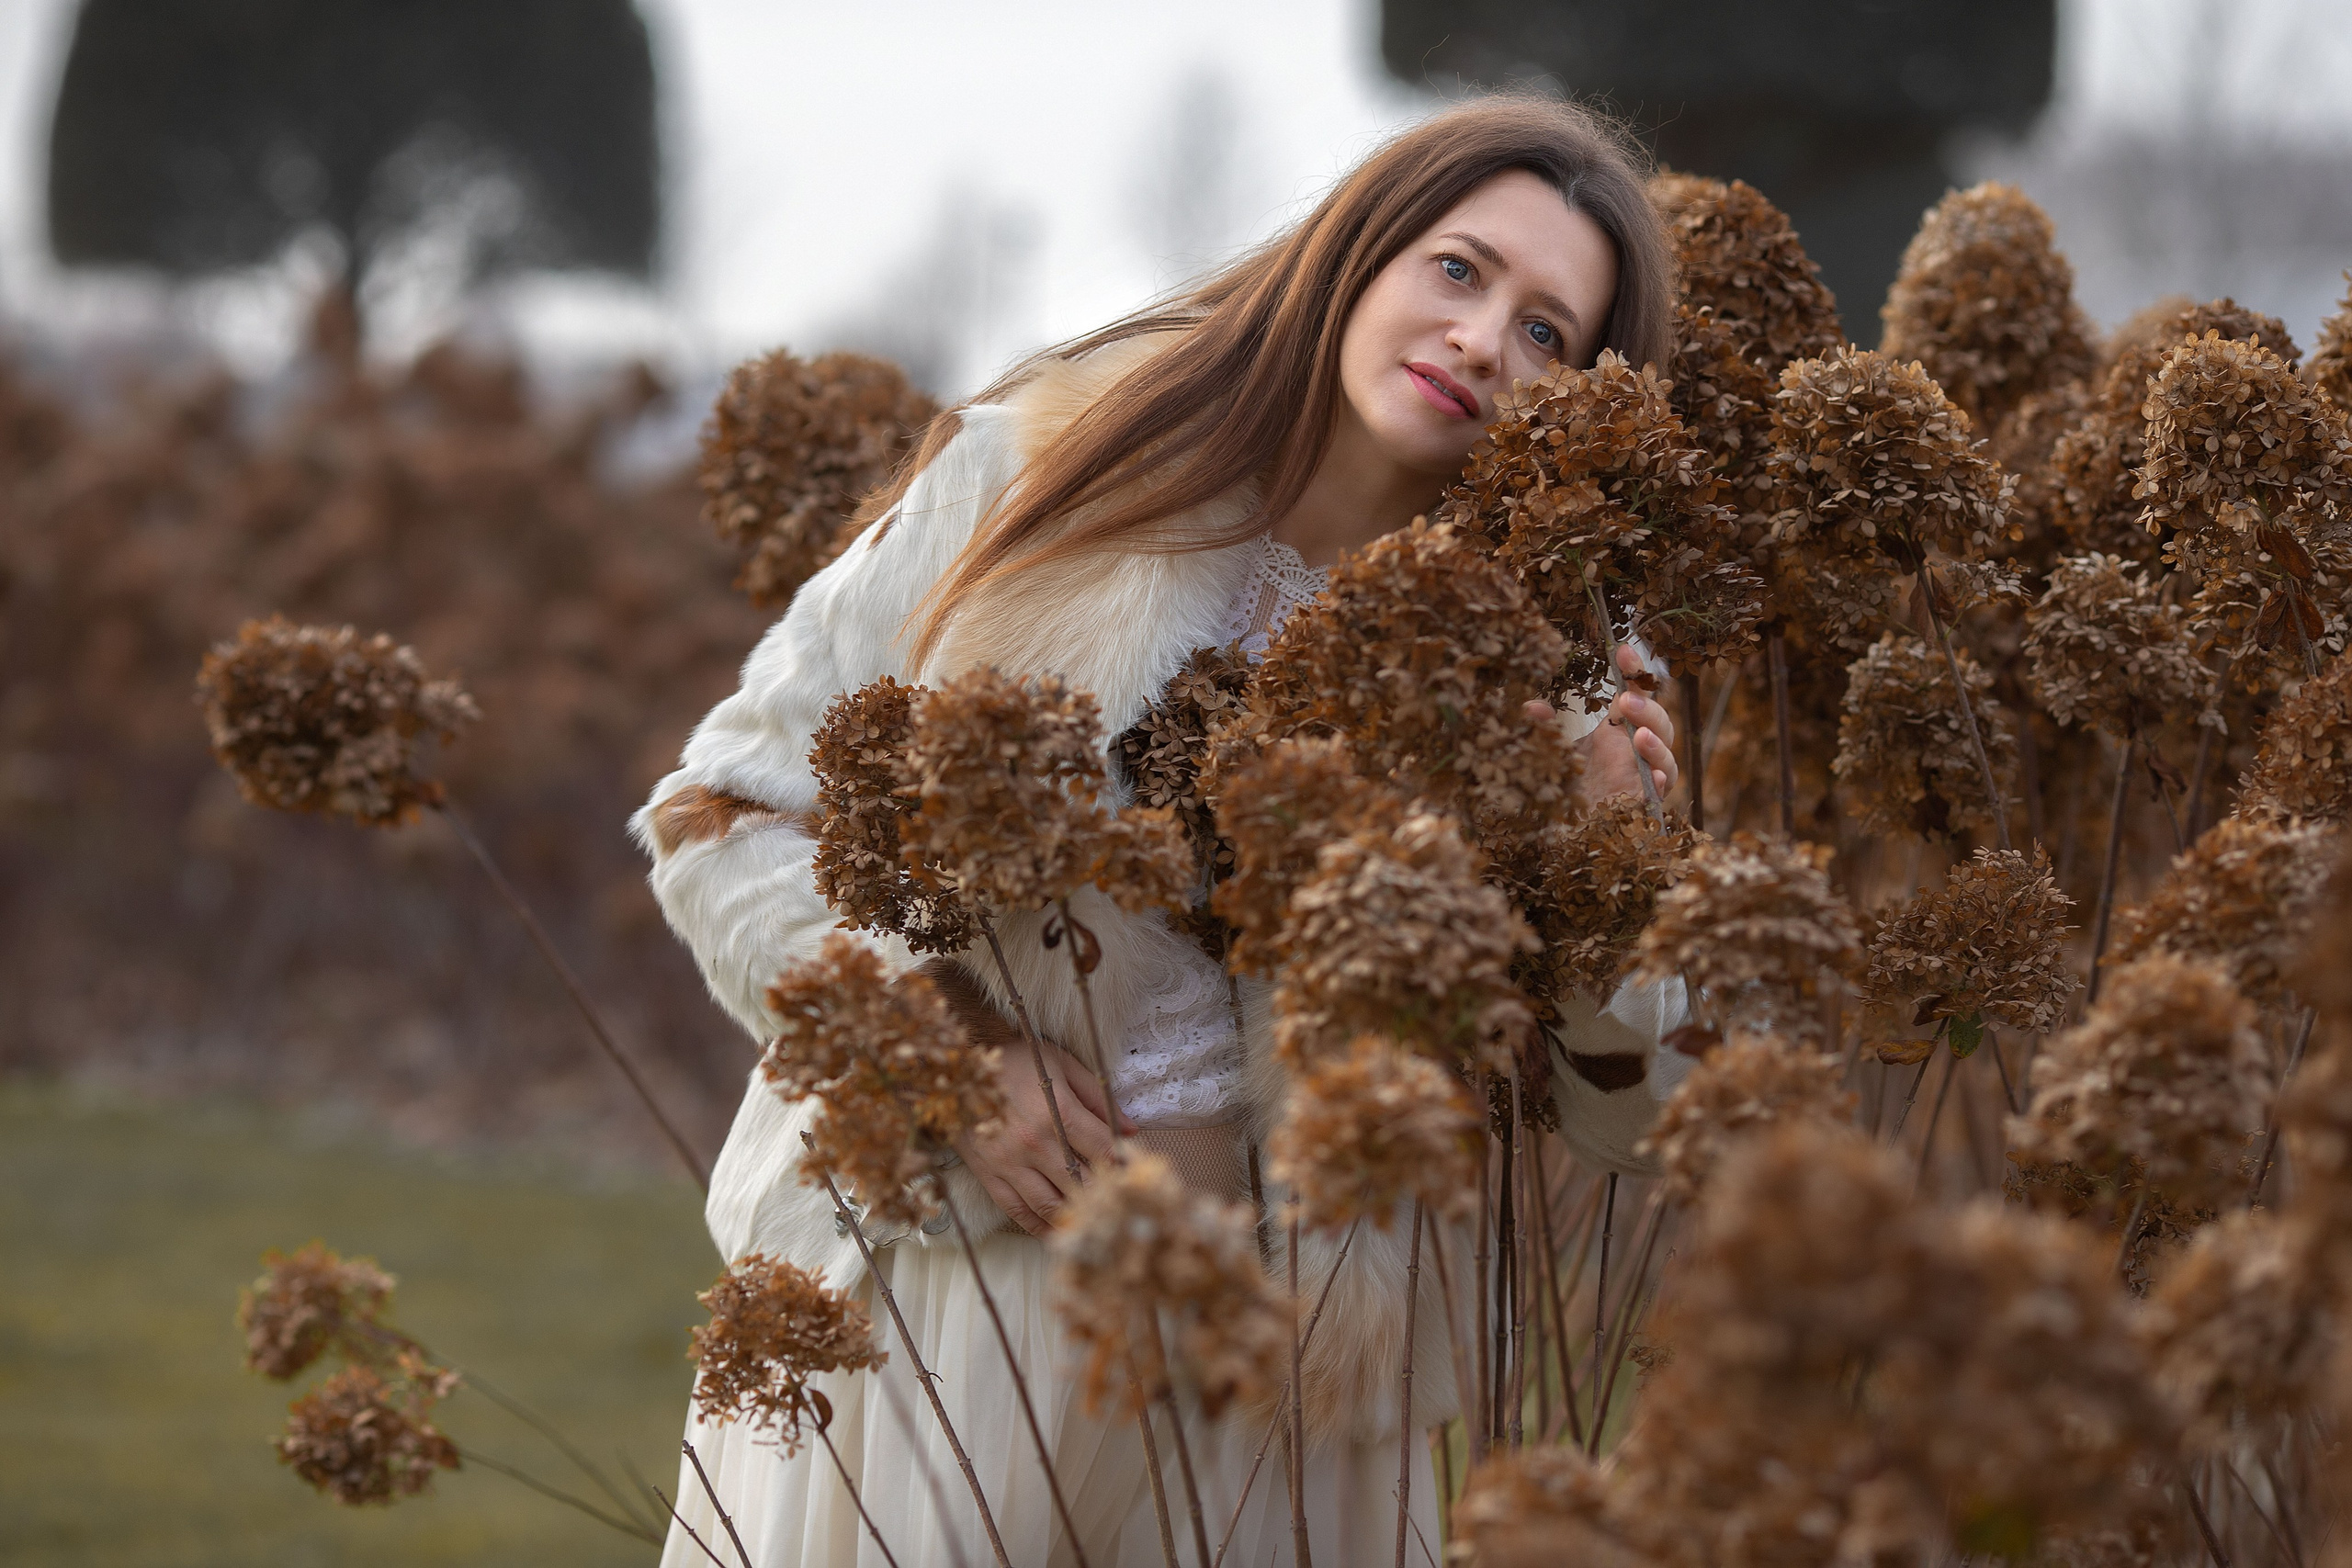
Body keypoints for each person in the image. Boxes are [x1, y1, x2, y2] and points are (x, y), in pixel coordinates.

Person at [636, 93, 1689, 1568]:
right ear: (1361, 253)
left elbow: (1638, 1110)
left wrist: (1601, 860)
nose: (1478, 340)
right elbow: (725, 813)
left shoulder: (1562, 669)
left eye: (1545, 334)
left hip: (1282, 1387)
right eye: (1458, 271)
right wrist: (940, 1059)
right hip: (947, 1292)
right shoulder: (1051, 468)